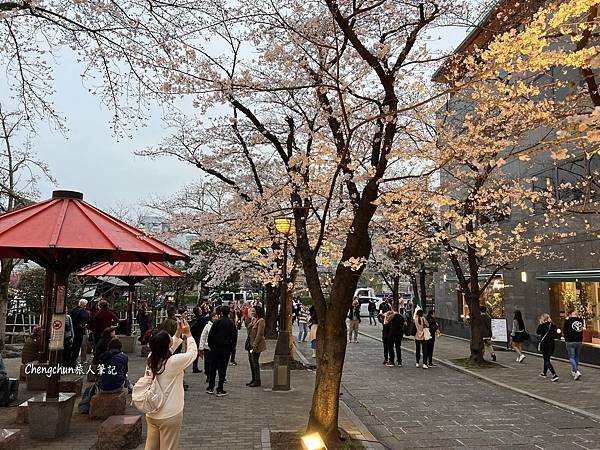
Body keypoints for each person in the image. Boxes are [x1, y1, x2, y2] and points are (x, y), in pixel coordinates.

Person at [144, 319, 196, 450]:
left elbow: (168, 350)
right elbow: (192, 353)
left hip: (152, 411)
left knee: (151, 446)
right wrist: (188, 334)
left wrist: (178, 333)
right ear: (166, 345)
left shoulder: (152, 357)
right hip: (170, 414)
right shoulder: (174, 362)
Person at [206, 305, 236, 396]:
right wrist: (232, 348)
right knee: (222, 369)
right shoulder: (231, 323)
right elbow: (234, 337)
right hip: (226, 348)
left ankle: (211, 387)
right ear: (229, 313)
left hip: (215, 348)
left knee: (213, 368)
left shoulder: (216, 322)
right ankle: (220, 388)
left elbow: (210, 336)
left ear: (221, 312)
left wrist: (211, 346)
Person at [536, 313, 559, 382]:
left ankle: (554, 374)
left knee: (546, 360)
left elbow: (537, 332)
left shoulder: (543, 325)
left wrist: (540, 324)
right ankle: (544, 373)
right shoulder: (553, 325)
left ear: (543, 319)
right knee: (547, 358)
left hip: (544, 344)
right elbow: (556, 335)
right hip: (551, 344)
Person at [247, 305, 266, 387]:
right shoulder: (254, 320)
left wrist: (255, 344)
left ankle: (257, 380)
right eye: (252, 311)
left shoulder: (261, 321)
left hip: (256, 345)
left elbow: (259, 334)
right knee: (251, 362)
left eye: (254, 311)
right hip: (250, 344)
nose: (252, 313)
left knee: (255, 362)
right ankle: (253, 378)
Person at [563, 308, 584, 380]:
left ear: (570, 314)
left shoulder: (568, 320)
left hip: (570, 341)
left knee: (571, 357)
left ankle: (576, 371)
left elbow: (564, 331)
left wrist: (566, 339)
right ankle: (574, 371)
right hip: (579, 341)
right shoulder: (580, 320)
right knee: (576, 357)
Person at [199, 310, 219, 383]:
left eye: (217, 316)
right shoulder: (207, 326)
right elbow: (203, 337)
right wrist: (201, 347)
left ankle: (212, 375)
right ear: (211, 318)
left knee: (214, 363)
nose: (216, 318)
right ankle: (208, 375)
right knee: (207, 363)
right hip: (207, 347)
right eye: (214, 316)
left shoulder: (218, 325)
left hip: (216, 347)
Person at [69, 299, 90, 366]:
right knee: (77, 347)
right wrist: (83, 325)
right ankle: (73, 362)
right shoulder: (83, 312)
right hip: (79, 331)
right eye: (84, 306)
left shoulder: (72, 310)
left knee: (71, 347)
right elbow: (86, 320)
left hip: (71, 331)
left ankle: (70, 361)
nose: (85, 307)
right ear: (82, 305)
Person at [190, 306, 208, 373]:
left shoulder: (194, 319)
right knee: (203, 351)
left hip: (194, 337)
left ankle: (195, 367)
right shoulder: (202, 319)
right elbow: (208, 318)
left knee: (196, 352)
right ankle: (205, 368)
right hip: (200, 337)